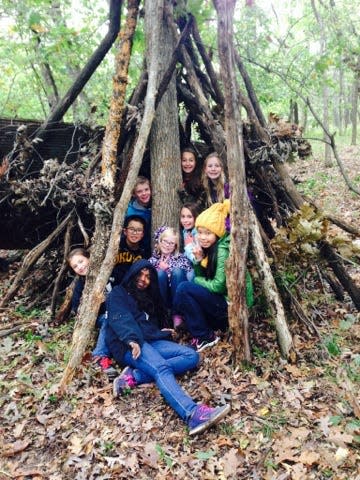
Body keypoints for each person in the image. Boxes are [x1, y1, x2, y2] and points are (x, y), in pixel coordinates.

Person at [106, 259, 231, 435]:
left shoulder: (146, 298)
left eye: (148, 277)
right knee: (161, 368)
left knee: (191, 356)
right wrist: (131, 340)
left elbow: (147, 324)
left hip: (148, 341)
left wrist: (161, 332)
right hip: (128, 344)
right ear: (133, 273)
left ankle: (133, 377)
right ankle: (192, 414)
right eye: (141, 274)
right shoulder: (118, 293)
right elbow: (121, 319)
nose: (143, 279)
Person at [174, 200, 231, 352]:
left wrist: (197, 279)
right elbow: (203, 279)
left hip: (226, 309)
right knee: (184, 292)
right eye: (199, 233)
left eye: (208, 233)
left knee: (184, 288)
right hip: (216, 305)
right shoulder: (207, 249)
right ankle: (201, 333)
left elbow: (219, 286)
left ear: (217, 234)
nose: (203, 237)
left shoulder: (222, 251)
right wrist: (199, 261)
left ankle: (205, 336)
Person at [67, 248, 118, 379]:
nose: (80, 266)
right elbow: (77, 309)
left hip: (119, 312)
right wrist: (96, 303)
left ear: (89, 258)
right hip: (100, 317)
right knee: (108, 320)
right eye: (75, 266)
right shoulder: (81, 285)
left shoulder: (108, 273)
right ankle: (100, 356)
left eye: (81, 261)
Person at [148, 226, 193, 328]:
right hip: (161, 297)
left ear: (175, 246)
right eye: (165, 241)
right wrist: (160, 270)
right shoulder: (152, 260)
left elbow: (188, 278)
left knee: (177, 271)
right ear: (159, 241)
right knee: (159, 274)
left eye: (171, 243)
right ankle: (162, 315)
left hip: (177, 296)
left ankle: (178, 316)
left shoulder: (181, 258)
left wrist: (169, 269)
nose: (167, 245)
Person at [126, 176, 152, 257]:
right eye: (139, 191)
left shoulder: (156, 202)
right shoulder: (131, 213)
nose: (144, 193)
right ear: (134, 194)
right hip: (142, 249)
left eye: (146, 189)